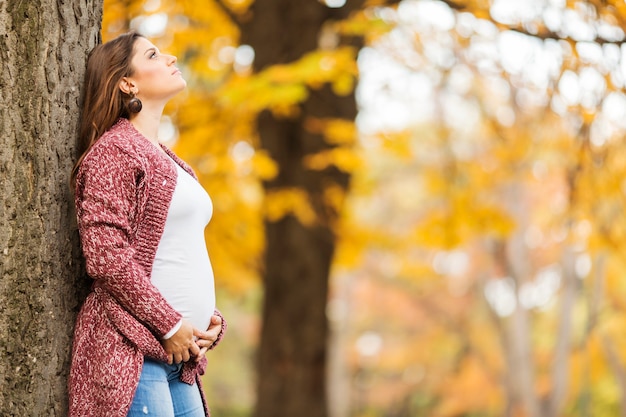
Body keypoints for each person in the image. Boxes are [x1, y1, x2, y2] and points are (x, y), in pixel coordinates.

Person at [68, 31, 226, 417]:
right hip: (131, 351)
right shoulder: (113, 151)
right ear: (127, 82)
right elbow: (106, 256)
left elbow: (180, 251)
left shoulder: (171, 160)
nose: (171, 58)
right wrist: (171, 323)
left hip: (180, 360)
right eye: (154, 55)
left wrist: (210, 321)